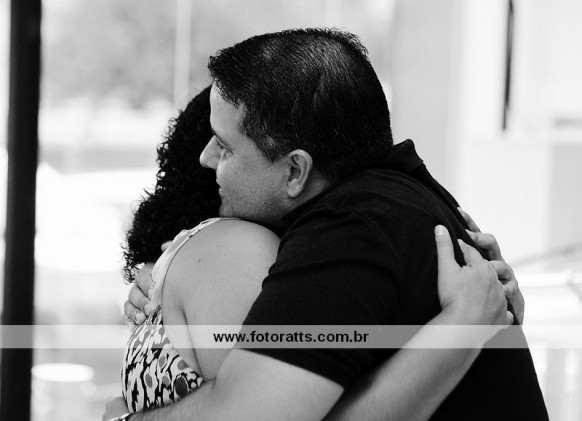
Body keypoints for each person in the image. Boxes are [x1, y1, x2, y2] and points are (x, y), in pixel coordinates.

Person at [110, 28, 547, 420]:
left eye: (225, 147)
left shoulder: (353, 228)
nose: (206, 159)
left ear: (295, 171)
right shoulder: (397, 203)